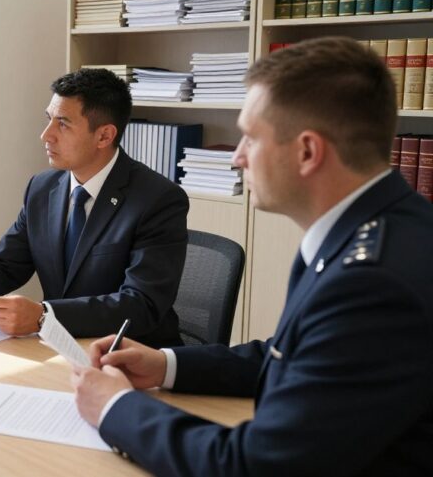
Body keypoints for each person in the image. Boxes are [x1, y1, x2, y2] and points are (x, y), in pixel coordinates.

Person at [72, 36, 433, 475]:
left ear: (307, 151)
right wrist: (165, 363)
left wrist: (115, 409)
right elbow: (291, 356)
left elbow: (255, 466)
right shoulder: (378, 228)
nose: (236, 159)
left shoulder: (372, 281)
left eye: (250, 138)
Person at [0, 68, 188, 346]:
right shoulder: (42, 187)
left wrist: (44, 315)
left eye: (63, 124)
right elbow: (6, 264)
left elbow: (141, 304)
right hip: (59, 347)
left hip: (131, 356)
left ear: (104, 136)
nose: (46, 135)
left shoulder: (158, 200)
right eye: (49, 120)